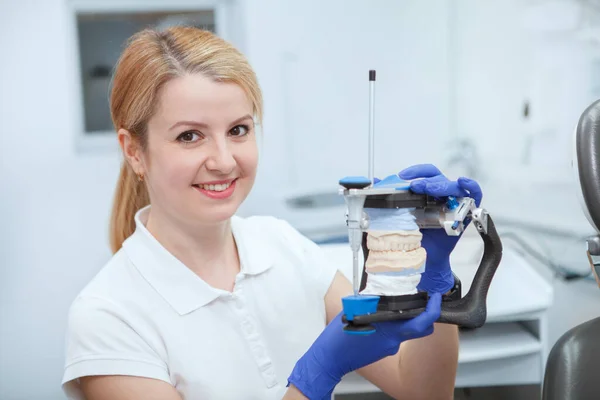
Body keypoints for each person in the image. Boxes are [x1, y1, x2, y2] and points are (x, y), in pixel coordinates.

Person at [61, 26, 483, 400]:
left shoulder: (281, 245)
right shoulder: (107, 317)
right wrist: (317, 374)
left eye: (238, 130)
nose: (223, 160)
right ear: (134, 151)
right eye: (190, 136)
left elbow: (423, 390)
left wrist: (434, 283)